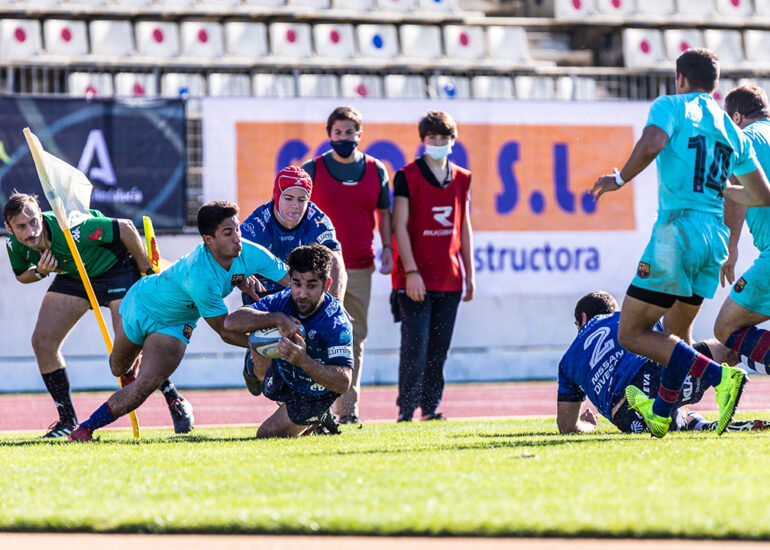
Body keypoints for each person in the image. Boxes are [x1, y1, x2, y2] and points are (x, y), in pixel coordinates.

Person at [590, 48, 770, 438]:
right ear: (715, 85)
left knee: (631, 331)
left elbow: (653, 142)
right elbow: (761, 195)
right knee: (676, 331)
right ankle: (662, 413)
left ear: (681, 79)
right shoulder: (729, 127)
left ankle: (721, 379)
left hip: (677, 234)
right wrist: (718, 187)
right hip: (713, 240)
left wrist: (618, 180)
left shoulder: (671, 105)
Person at [67, 201, 289, 441]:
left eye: (237, 229)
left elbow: (293, 281)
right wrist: (267, 344)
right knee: (117, 369)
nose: (237, 238)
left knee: (147, 383)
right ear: (208, 240)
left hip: (175, 324)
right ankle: (143, 358)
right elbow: (225, 331)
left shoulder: (251, 253)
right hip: (140, 304)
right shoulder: (199, 276)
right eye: (228, 233)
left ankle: (84, 429)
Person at [3, 193, 193, 438]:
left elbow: (126, 227)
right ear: (9, 228)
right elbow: (21, 275)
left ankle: (174, 399)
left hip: (116, 270)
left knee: (127, 350)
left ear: (40, 215)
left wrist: (146, 271)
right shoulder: (14, 244)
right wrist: (40, 272)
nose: (30, 232)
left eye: (33, 222)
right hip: (75, 276)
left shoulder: (71, 227)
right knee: (43, 342)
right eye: (21, 227)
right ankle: (67, 421)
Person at [557, 291, 769, 434]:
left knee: (672, 412)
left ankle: (699, 424)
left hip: (629, 417)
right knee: (729, 349)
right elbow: (679, 348)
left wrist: (588, 425)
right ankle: (716, 389)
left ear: (582, 319)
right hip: (654, 375)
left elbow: (566, 425)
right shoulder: (626, 318)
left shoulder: (567, 361)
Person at [301, 106, 393, 425]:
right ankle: (315, 408)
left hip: (359, 266)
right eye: (337, 132)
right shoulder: (313, 169)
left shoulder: (376, 170)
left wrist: (388, 247)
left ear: (359, 134)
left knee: (354, 336)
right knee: (315, 336)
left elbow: (384, 214)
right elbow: (297, 213)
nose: (343, 138)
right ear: (329, 135)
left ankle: (348, 410)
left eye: (349, 132)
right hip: (318, 271)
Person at [391, 110, 475, 423]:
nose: (438, 143)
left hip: (449, 278)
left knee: (439, 349)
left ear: (453, 140)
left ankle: (430, 409)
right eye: (432, 138)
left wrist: (469, 274)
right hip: (414, 279)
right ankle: (405, 410)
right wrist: (411, 272)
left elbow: (464, 226)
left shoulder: (463, 178)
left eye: (443, 138)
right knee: (415, 345)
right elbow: (399, 226)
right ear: (423, 140)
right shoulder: (407, 175)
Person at [224, 244, 353, 438]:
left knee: (266, 435)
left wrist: (303, 360)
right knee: (259, 337)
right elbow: (230, 323)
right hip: (287, 374)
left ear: (326, 285)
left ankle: (318, 414)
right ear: (290, 280)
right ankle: (294, 408)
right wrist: (277, 318)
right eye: (297, 284)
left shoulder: (336, 322)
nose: (302, 294)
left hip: (316, 393)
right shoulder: (282, 300)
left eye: (311, 286)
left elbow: (343, 382)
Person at [715, 86, 770, 377]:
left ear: (736, 117)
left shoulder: (744, 138)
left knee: (725, 328)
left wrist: (730, 245)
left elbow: (735, 186)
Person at [239, 165, 346, 304]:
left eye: (301, 200)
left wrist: (336, 302)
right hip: (261, 293)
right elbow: (226, 259)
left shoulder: (317, 221)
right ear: (276, 197)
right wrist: (239, 279)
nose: (295, 205)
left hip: (300, 291)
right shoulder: (257, 225)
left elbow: (336, 261)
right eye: (289, 198)